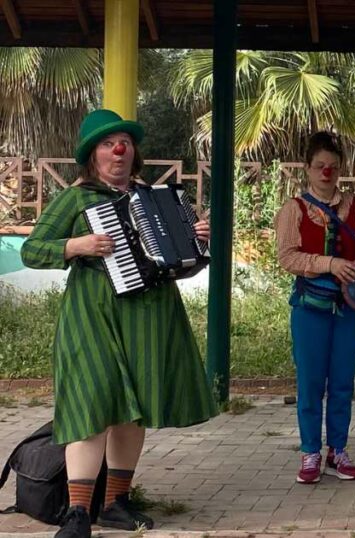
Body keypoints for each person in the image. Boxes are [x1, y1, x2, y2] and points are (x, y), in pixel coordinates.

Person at [21, 109, 220, 538]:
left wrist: (196, 241)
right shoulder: (76, 199)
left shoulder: (156, 197)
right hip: (91, 315)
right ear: (92, 155)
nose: (119, 150)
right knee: (91, 405)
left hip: (149, 316)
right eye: (109, 143)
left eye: (125, 143)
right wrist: (77, 245)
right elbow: (32, 250)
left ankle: (115, 503)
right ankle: (77, 513)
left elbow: (181, 265)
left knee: (135, 411)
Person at [275, 132, 355, 485]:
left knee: (343, 382)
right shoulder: (294, 210)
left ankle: (339, 452)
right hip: (310, 308)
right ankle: (309, 453)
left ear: (341, 168)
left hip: (351, 310)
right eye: (320, 166)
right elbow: (287, 256)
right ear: (307, 168)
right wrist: (329, 264)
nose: (326, 173)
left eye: (333, 167)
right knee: (310, 382)